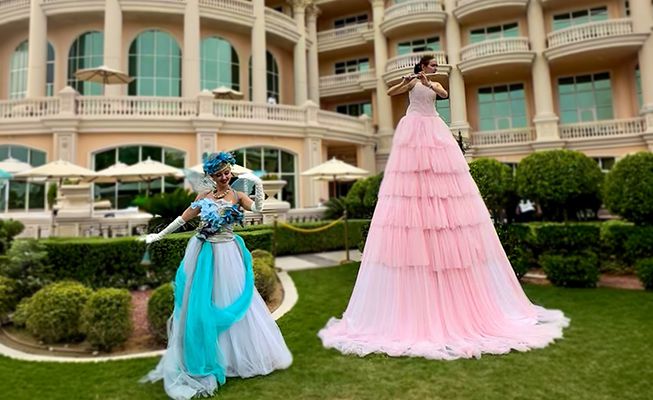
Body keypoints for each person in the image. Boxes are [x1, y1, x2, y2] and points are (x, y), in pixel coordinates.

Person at [318, 55, 569, 360]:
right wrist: (408, 81)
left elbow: (443, 94)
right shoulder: (413, 82)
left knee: (443, 179)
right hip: (413, 129)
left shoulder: (433, 83)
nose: (435, 68)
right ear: (422, 65)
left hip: (433, 129)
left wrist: (428, 82)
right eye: (432, 65)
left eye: (435, 66)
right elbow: (391, 92)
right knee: (413, 177)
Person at [140, 152, 292, 399]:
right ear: (211, 176)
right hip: (206, 254)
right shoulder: (203, 197)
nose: (224, 177)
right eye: (219, 174)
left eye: (227, 172)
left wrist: (258, 185)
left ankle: (238, 356)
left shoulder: (237, 196)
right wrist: (159, 235)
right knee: (206, 302)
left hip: (229, 254)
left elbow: (258, 209)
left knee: (232, 299)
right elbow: (183, 218)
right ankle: (215, 355)